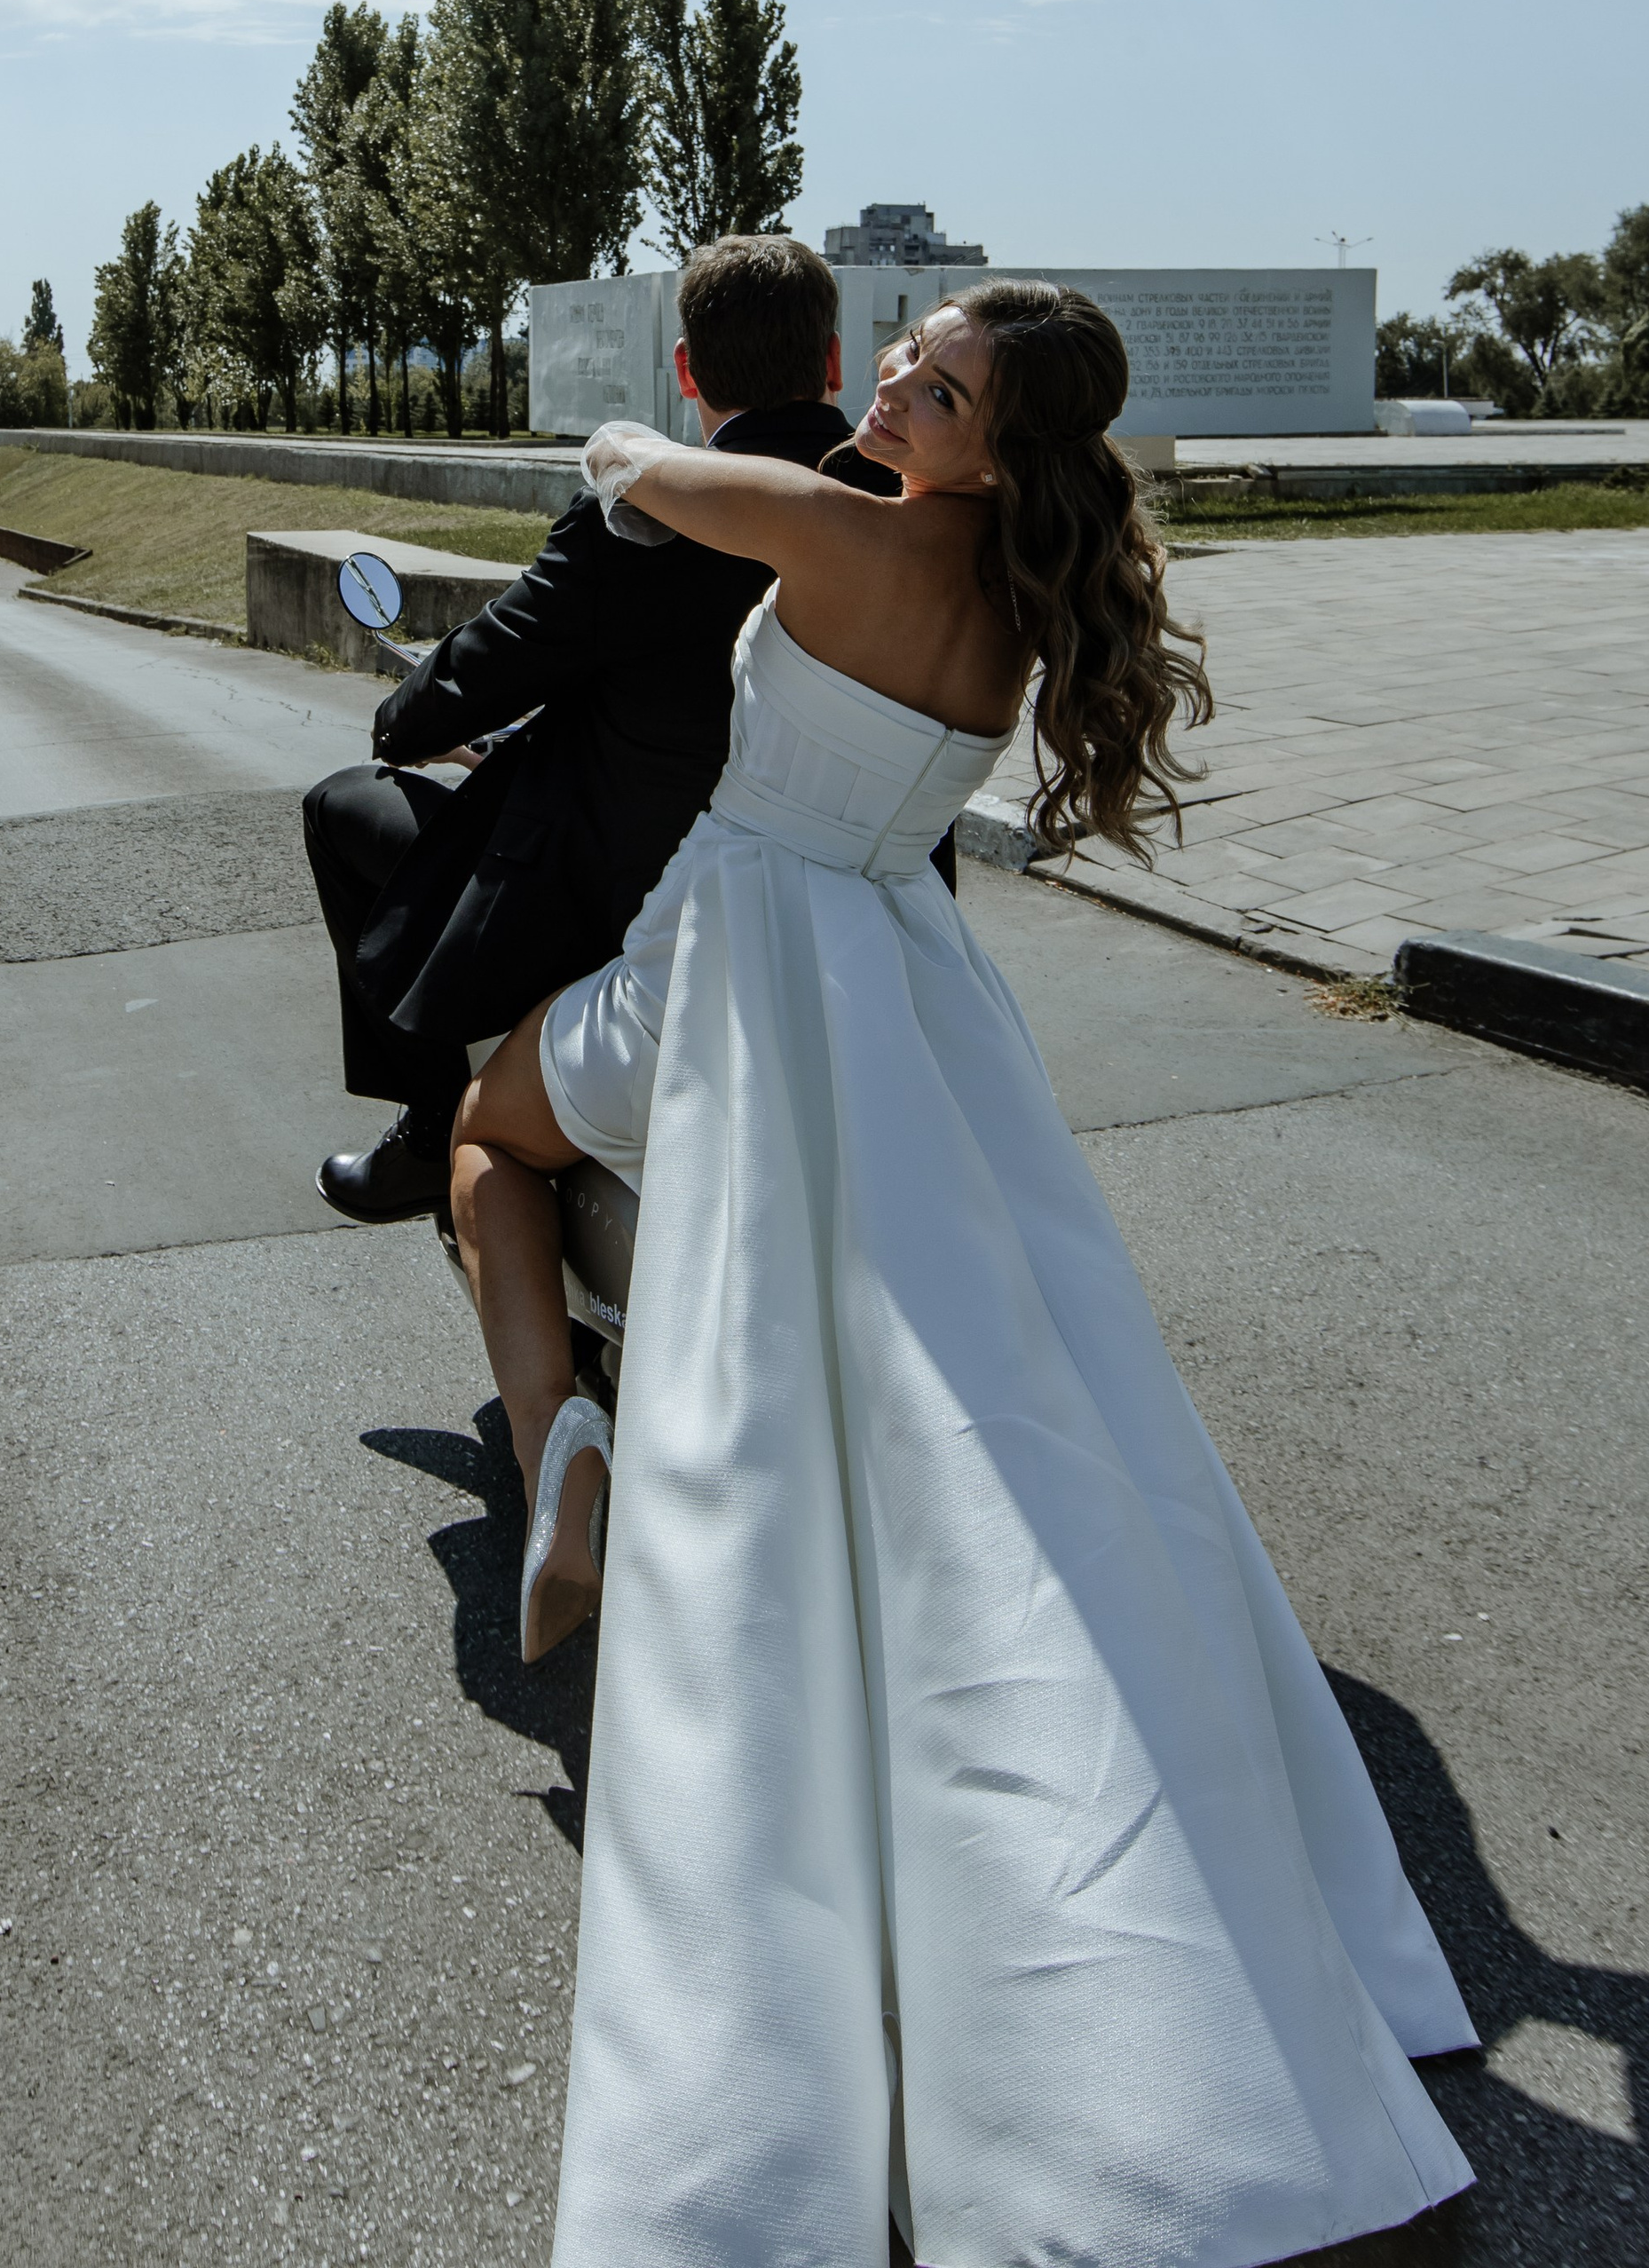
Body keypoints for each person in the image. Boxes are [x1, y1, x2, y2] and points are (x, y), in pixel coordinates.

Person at [452, 281, 1476, 2268]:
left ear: (994, 442)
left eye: (936, 386)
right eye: (903, 360)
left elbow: (623, 469)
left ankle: (553, 1440)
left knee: (490, 1133)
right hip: (901, 988)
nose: (896, 390)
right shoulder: (1023, 595)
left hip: (724, 964)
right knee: (1006, 1408)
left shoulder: (833, 524)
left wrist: (728, 459)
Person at [304, 237, 897, 1226]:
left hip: (636, 907)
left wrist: (403, 718)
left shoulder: (642, 522)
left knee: (340, 808)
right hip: (860, 911)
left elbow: (472, 677)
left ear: (684, 370)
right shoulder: (907, 512)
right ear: (833, 362)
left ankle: (429, 1126)